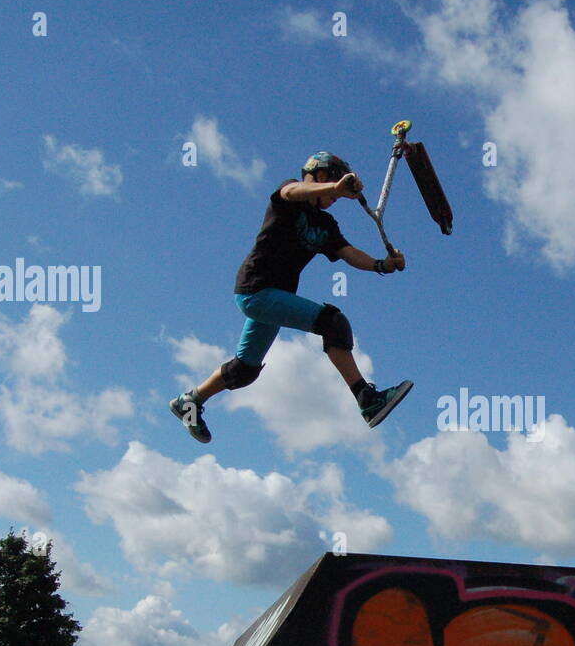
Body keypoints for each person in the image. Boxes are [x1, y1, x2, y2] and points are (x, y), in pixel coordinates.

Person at [170, 151, 413, 443]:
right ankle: (367, 399)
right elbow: (292, 190)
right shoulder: (289, 197)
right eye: (332, 188)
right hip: (255, 290)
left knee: (246, 369)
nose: (335, 197)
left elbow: (348, 253)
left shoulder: (326, 225)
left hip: (275, 298)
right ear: (321, 177)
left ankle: (190, 402)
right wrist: (334, 189)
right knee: (332, 323)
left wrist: (381, 265)